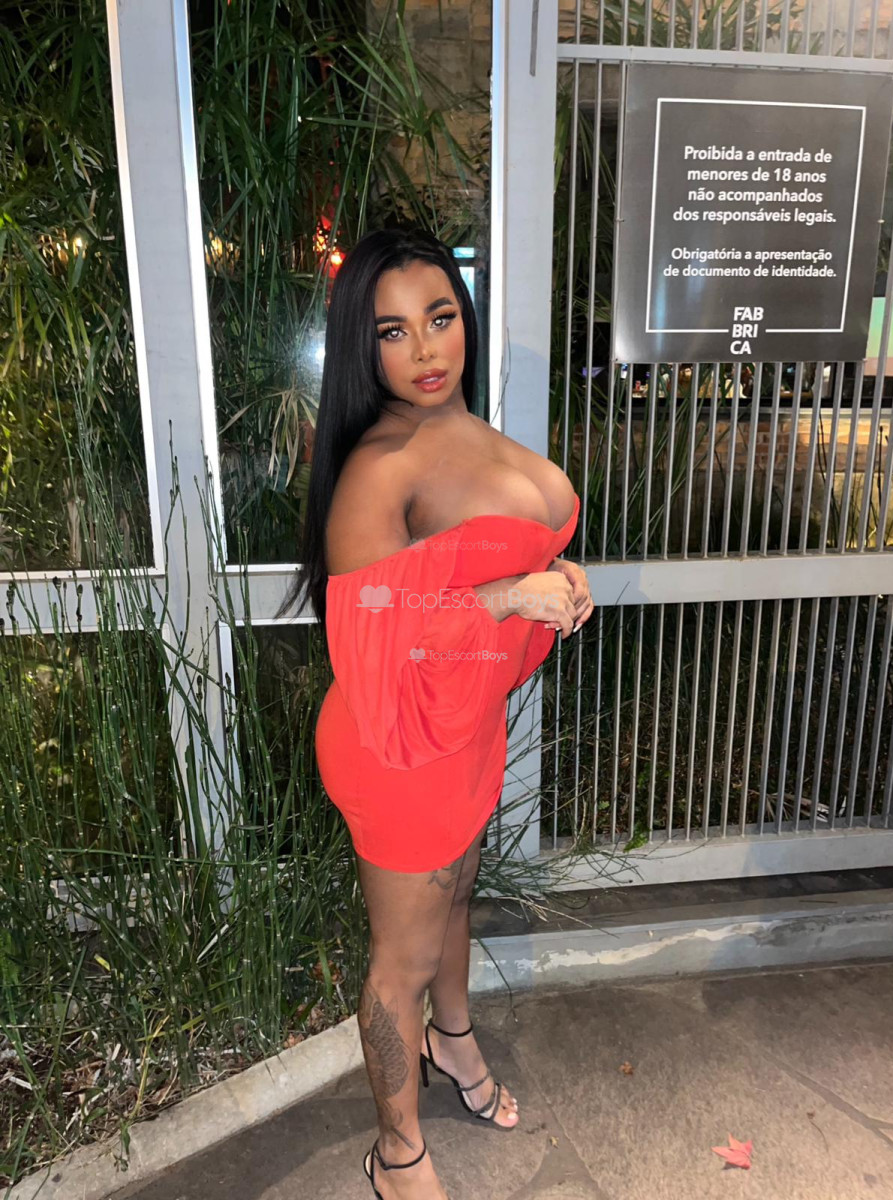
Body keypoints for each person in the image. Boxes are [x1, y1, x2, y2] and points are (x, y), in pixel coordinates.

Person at [276, 228, 594, 1199]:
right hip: (396, 742)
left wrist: (554, 576)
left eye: (439, 317)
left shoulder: (467, 432)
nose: (423, 349)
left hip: (462, 725)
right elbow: (368, 632)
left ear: (464, 319)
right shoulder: (379, 467)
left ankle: (451, 1042)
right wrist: (509, 598)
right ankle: (395, 1151)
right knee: (400, 961)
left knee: (455, 901)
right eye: (392, 331)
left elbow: (489, 551)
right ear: (362, 346)